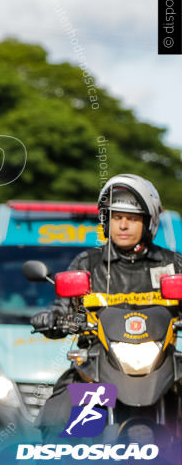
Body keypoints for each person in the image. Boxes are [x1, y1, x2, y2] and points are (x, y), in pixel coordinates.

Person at [31, 174, 182, 436]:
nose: (123, 225)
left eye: (133, 218)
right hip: (99, 369)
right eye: (116, 217)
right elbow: (65, 306)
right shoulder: (87, 264)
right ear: (106, 221)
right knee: (59, 419)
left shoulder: (172, 264)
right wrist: (54, 318)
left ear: (149, 221)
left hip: (163, 368)